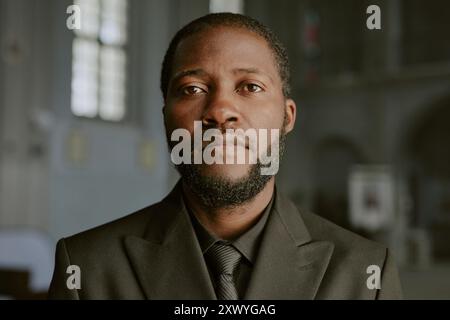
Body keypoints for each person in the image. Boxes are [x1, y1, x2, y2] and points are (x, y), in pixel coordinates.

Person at [48, 13, 402, 300]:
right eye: (192, 89)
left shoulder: (365, 272)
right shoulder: (85, 268)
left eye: (250, 87)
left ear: (287, 117)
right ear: (166, 118)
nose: (220, 110)